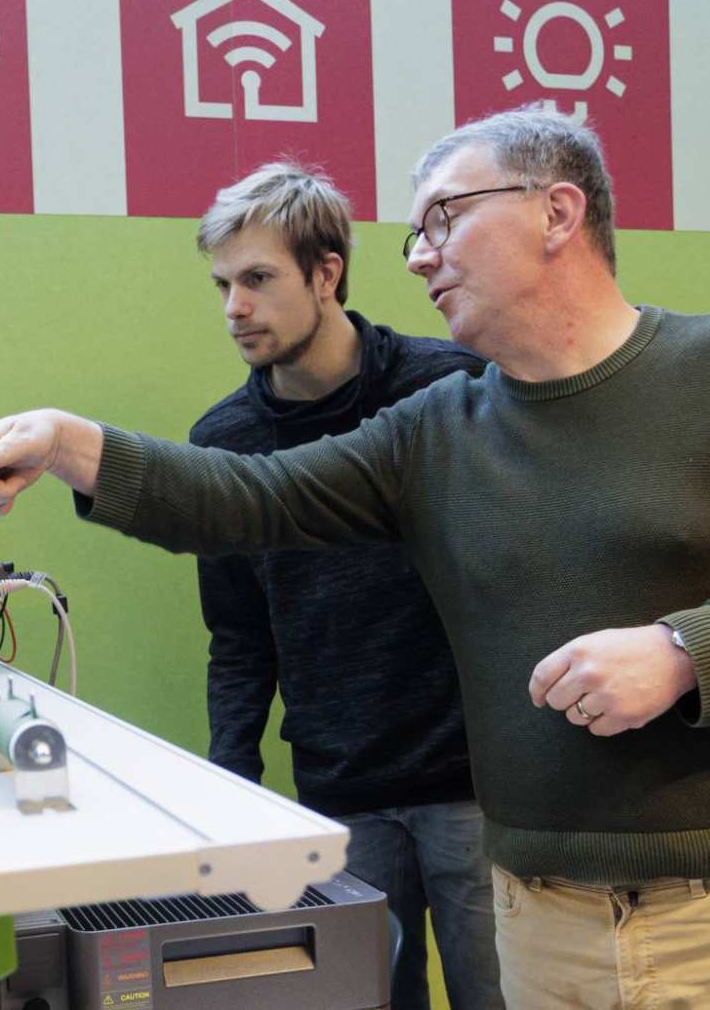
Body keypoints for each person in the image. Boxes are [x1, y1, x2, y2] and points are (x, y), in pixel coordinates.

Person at [0, 107, 710, 1008]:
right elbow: (249, 497)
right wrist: (67, 441)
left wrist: (688, 651)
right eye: (415, 232)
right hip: (538, 923)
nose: (420, 256)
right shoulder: (432, 429)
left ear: (556, 213)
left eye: (442, 219)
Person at [188, 161, 498, 1009]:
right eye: (222, 284)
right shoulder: (225, 441)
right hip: (338, 795)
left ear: (326, 274)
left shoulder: (453, 386)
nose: (234, 308)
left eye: (256, 279)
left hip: (478, 787)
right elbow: (240, 639)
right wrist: (233, 789)